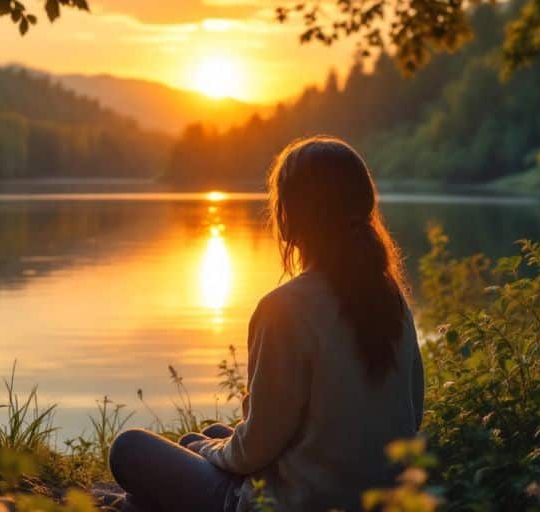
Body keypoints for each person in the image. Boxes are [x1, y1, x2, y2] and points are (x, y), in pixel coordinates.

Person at [106, 136, 425, 511]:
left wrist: (209, 451)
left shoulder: (285, 308)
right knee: (208, 436)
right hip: (378, 499)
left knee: (131, 448)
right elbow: (412, 412)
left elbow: (254, 449)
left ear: (291, 215)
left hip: (293, 504)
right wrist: (216, 445)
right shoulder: (392, 300)